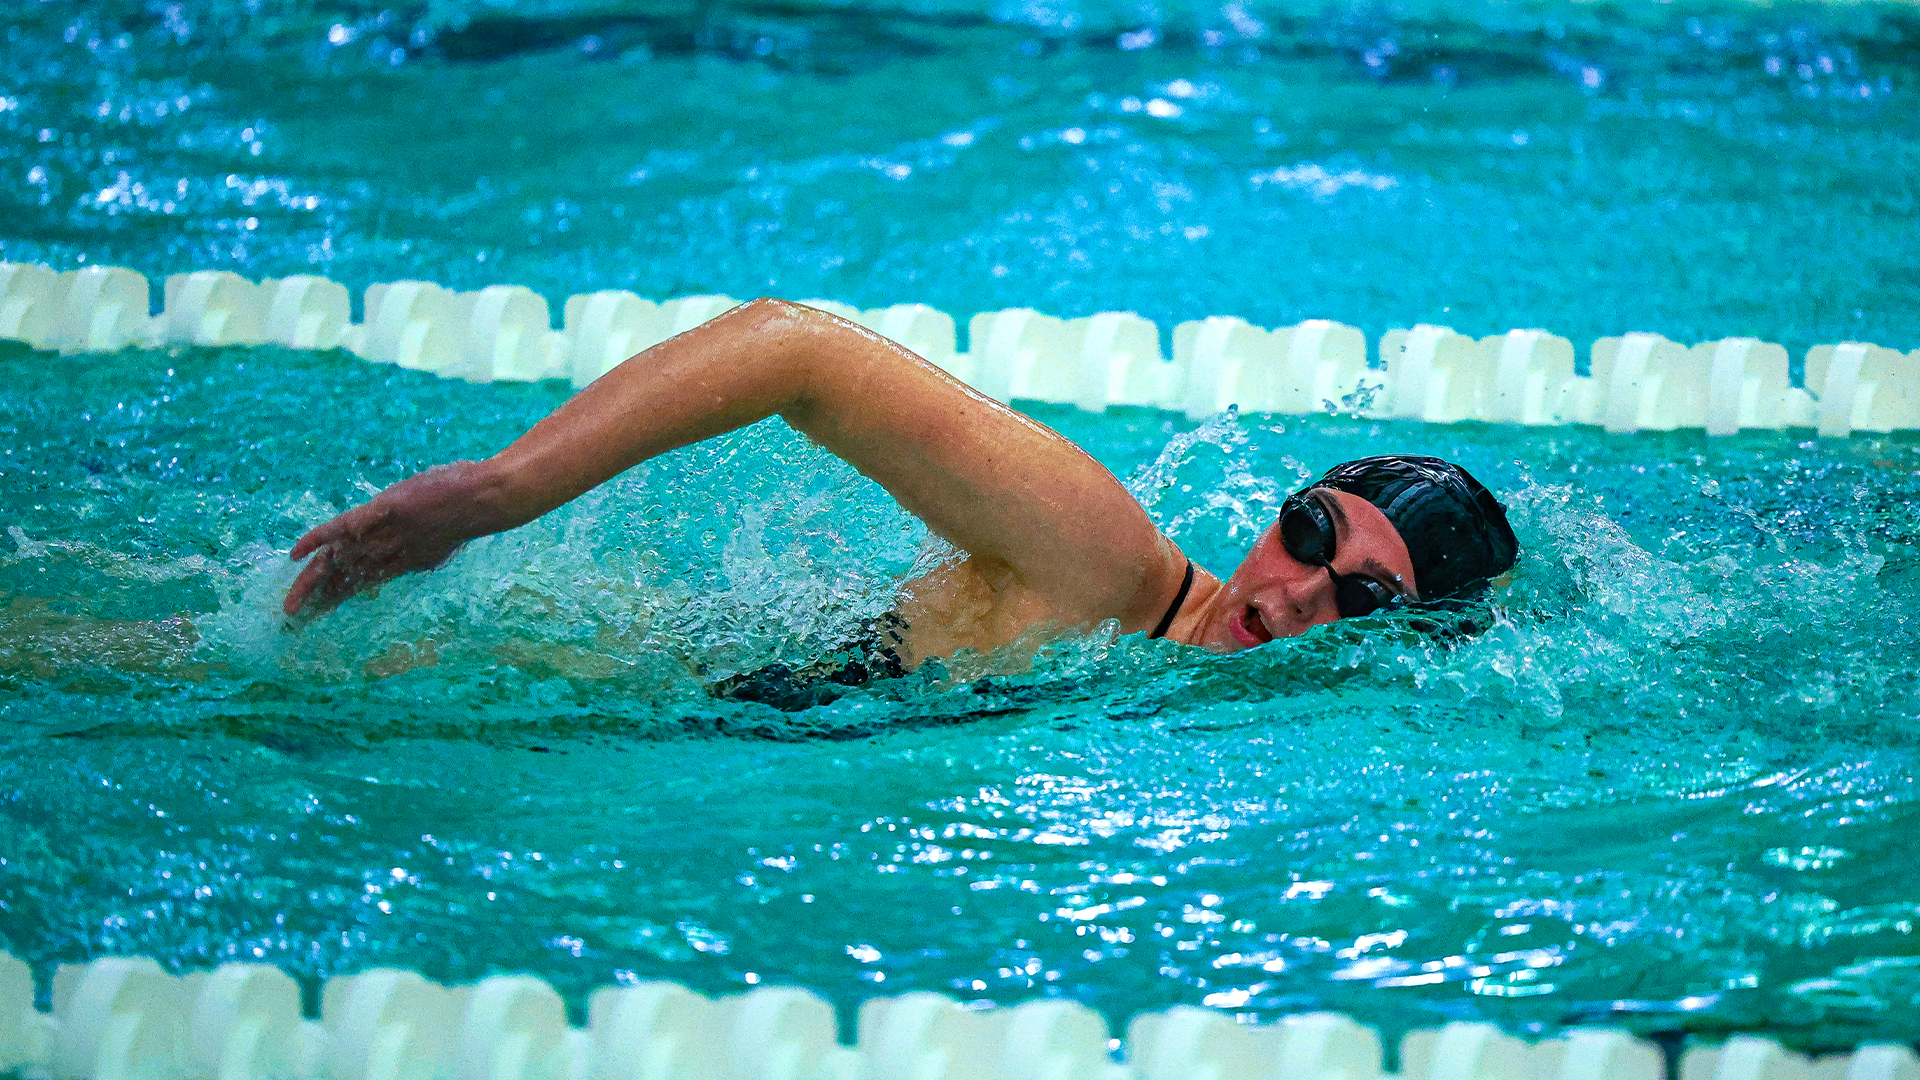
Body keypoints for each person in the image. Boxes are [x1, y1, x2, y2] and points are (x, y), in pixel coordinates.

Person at [283, 299, 1518, 687]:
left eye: (1362, 598)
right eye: (1309, 531)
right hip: (609, 680)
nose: (1301, 589)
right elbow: (794, 349)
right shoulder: (1102, 561)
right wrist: (501, 492)